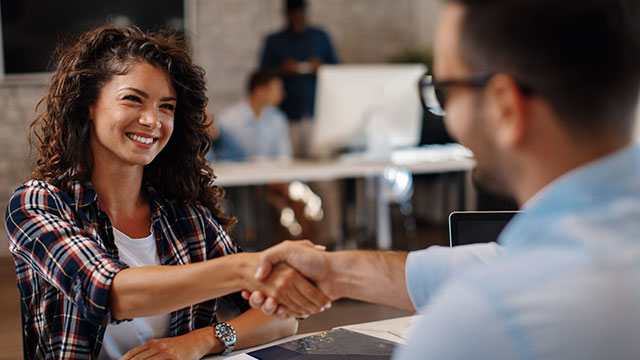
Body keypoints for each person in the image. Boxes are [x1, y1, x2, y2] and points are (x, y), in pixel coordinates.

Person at [243, 0, 640, 359]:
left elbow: (496, 279)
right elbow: (490, 262)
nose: (446, 116)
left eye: (445, 91)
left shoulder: (481, 324)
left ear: (505, 107)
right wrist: (334, 272)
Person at [4, 26, 330, 360]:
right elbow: (110, 293)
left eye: (167, 106)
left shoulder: (186, 217)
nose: (152, 120)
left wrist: (202, 340)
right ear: (89, 104)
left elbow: (283, 317)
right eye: (133, 99)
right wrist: (247, 269)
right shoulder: (38, 204)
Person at [259, 0, 339, 157]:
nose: (297, 20)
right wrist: (283, 70)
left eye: (300, 16)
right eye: (293, 16)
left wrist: (322, 67)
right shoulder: (275, 41)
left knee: (322, 169)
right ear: (287, 16)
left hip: (317, 113)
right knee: (289, 166)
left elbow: (337, 69)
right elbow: (262, 74)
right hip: (286, 115)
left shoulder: (320, 37)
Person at [215, 69, 292, 161]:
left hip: (271, 174)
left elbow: (284, 157)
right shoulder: (228, 120)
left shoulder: (278, 119)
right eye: (277, 90)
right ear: (259, 91)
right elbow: (221, 158)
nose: (282, 95)